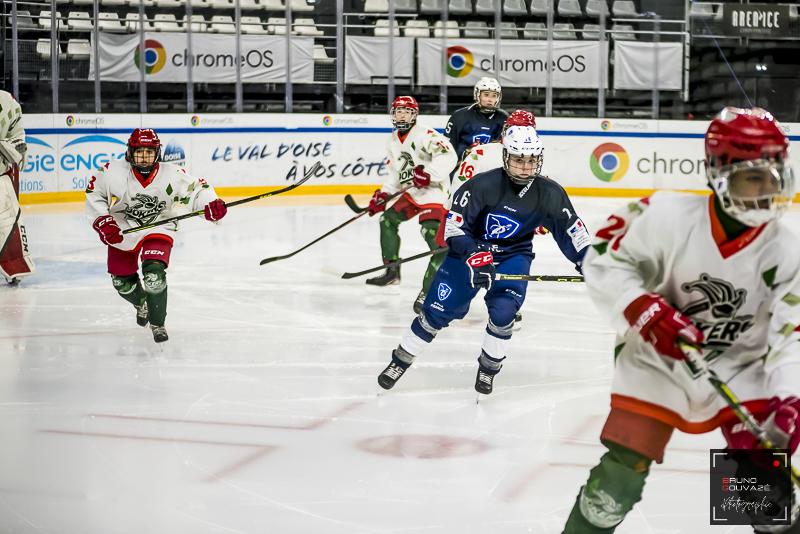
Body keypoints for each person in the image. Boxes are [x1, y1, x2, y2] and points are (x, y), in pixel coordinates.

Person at [561, 107, 800, 533]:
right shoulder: (663, 216)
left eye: (775, 175)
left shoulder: (787, 250)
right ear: (718, 174)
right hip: (658, 363)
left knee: (762, 487)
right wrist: (642, 307)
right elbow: (601, 261)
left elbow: (791, 335)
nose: (768, 190)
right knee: (616, 485)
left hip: (744, 366)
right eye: (754, 177)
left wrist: (791, 399)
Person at [377, 125, 589, 395]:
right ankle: (400, 361)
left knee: (504, 313)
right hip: (469, 251)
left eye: (531, 160)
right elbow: (454, 227)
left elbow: (572, 230)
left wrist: (588, 261)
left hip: (513, 254)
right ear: (506, 157)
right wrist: (474, 254)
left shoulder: (550, 193)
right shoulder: (482, 185)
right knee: (435, 313)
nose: (525, 167)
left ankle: (488, 369)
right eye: (518, 160)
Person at [85, 128, 227, 343]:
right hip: (123, 228)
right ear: (129, 152)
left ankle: (158, 323)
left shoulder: (172, 173)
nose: (144, 158)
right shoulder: (112, 171)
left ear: (157, 153)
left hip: (159, 226)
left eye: (149, 152)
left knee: (154, 274)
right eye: (139, 152)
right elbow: (95, 194)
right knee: (122, 283)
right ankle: (141, 302)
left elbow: (197, 189)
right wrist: (103, 220)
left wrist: (210, 204)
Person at [366, 95, 458, 314]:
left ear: (414, 115)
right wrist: (384, 195)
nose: (402, 115)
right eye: (398, 111)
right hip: (412, 193)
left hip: (434, 191)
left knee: (434, 237)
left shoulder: (426, 134)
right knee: (387, 220)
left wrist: (429, 174)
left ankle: (430, 291)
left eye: (406, 111)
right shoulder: (392, 140)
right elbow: (396, 174)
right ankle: (392, 271)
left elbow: (449, 155)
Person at [0, 90, 34, 284]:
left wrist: (15, 147)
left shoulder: (6, 100)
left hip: (0, 176)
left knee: (7, 221)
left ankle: (14, 263)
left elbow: (17, 136)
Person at [445, 77, 509, 162]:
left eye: (494, 96)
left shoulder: (503, 118)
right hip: (461, 167)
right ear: (477, 94)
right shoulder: (459, 116)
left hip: (491, 166)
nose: (490, 100)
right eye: (486, 95)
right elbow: (448, 146)